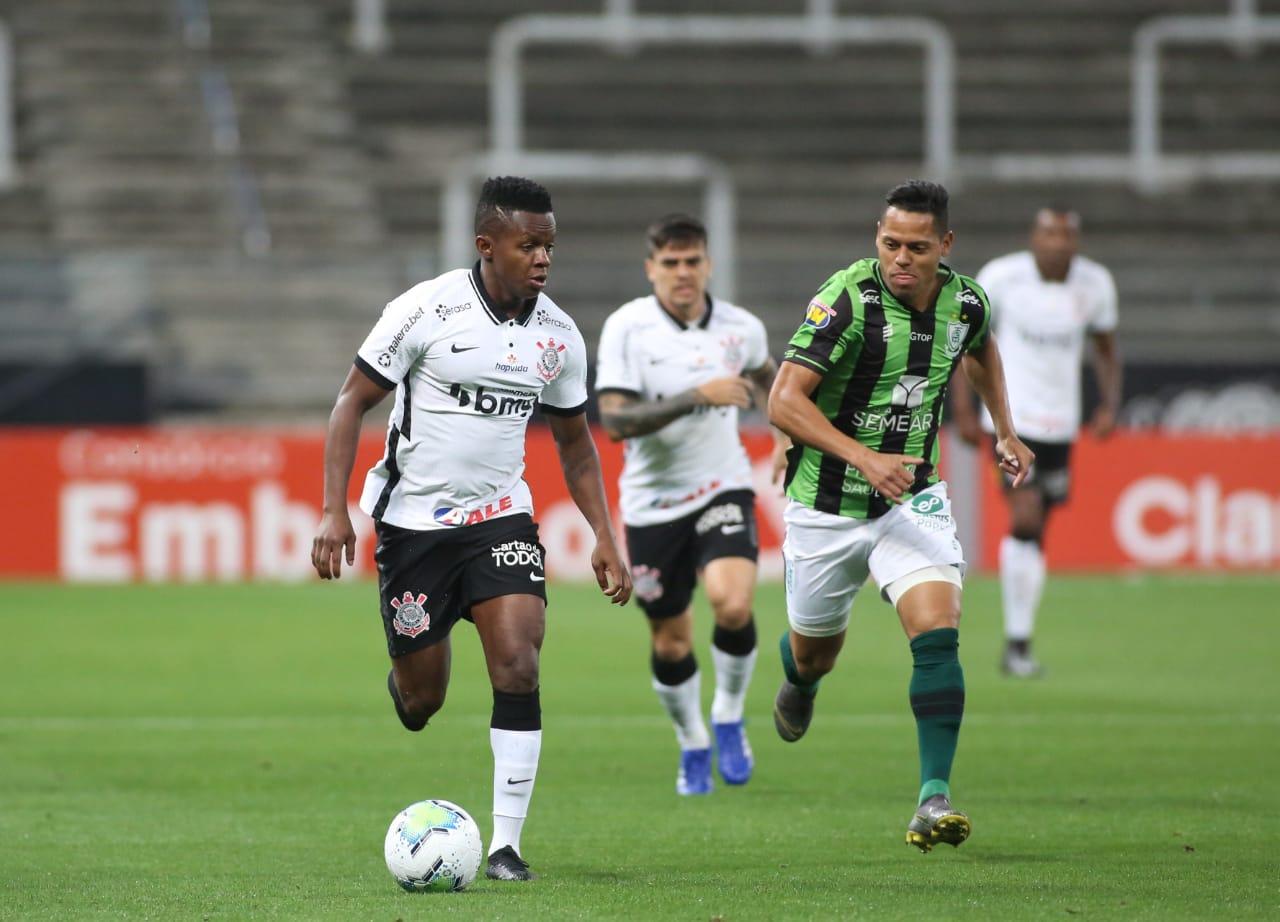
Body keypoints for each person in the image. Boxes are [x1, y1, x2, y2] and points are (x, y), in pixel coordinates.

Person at [310, 176, 632, 882]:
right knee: (423, 701)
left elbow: (576, 446)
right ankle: (407, 680)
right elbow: (349, 403)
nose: (543, 258)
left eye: (549, 245)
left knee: (518, 664)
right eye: (528, 245)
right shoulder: (426, 309)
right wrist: (335, 510)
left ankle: (505, 846)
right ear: (487, 246)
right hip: (412, 527)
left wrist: (606, 535)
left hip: (500, 518)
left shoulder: (560, 336)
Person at [767, 180, 1034, 852]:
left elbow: (981, 350)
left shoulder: (966, 301)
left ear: (945, 245)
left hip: (912, 499)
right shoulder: (848, 300)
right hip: (827, 508)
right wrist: (863, 458)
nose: (902, 259)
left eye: (918, 246)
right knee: (814, 652)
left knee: (938, 628)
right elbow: (783, 400)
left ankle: (931, 796)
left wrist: (1006, 429)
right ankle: (798, 681)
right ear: (876, 239)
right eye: (891, 244)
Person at [595, 214, 788, 796]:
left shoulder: (740, 328)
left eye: (693, 261)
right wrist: (695, 396)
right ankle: (691, 740)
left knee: (732, 604)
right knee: (671, 641)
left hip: (721, 485)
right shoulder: (627, 328)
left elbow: (773, 379)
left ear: (708, 263)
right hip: (653, 505)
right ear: (651, 267)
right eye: (671, 263)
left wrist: (783, 434)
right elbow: (614, 419)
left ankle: (729, 713)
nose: (683, 273)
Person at [950, 207, 1121, 678]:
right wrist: (964, 410)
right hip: (1009, 422)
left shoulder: (1095, 284)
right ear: (1034, 237)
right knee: (1024, 518)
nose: (1057, 243)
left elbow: (1106, 349)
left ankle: (1017, 643)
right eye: (1049, 233)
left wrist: (1108, 404)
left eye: (1066, 235)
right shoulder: (1002, 278)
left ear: (1076, 241)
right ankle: (1017, 644)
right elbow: (969, 344)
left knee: (1037, 530)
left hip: (1059, 425)